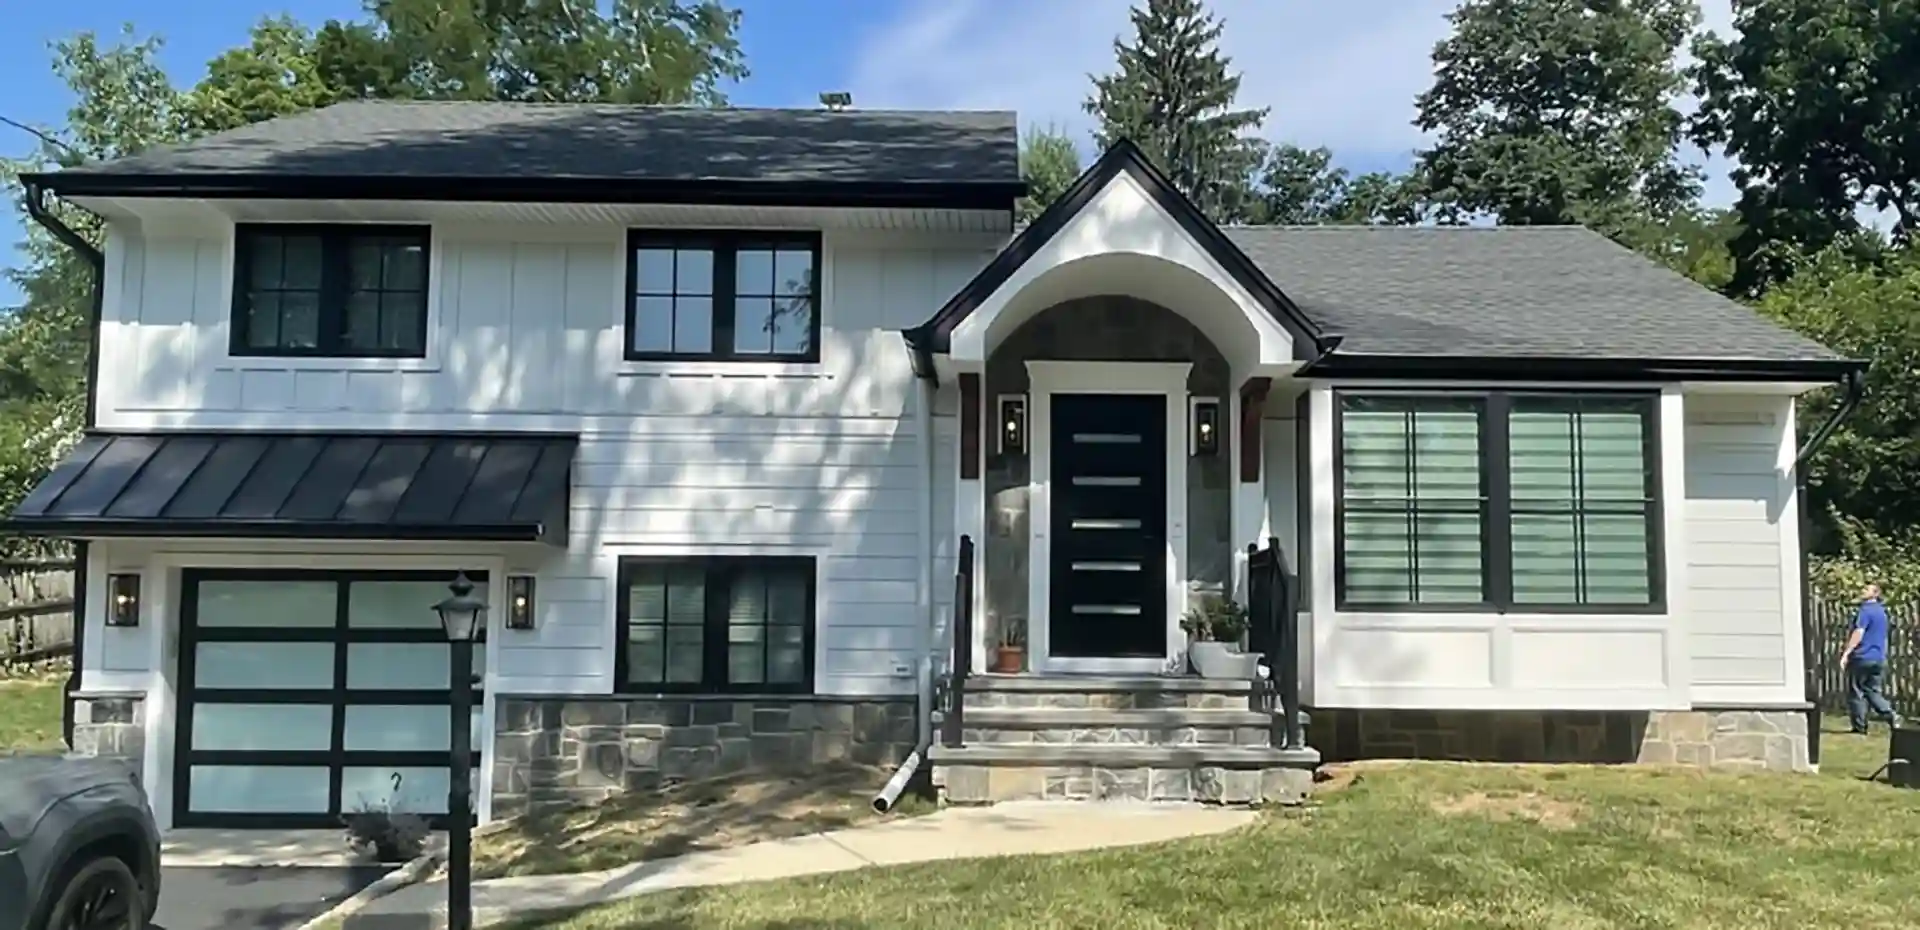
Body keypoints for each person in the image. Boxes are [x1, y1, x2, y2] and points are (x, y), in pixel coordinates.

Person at [1841, 583, 1903, 734]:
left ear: (1875, 594)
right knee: (1872, 691)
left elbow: (1859, 632)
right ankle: (1891, 714)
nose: (1862, 591)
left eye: (1866, 589)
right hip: (1879, 657)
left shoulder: (1865, 611)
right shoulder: (1882, 612)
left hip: (1862, 656)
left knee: (1856, 691)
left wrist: (1847, 652)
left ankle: (1860, 726)